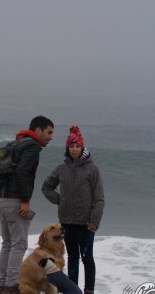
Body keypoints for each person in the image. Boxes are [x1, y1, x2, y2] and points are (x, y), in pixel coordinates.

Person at [0, 115, 55, 294]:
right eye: (49, 132)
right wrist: (25, 200)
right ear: (38, 131)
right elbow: (23, 172)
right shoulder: (32, 146)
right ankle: (12, 285)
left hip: (1, 199)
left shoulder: (15, 144)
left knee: (7, 244)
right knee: (19, 244)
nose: (51, 137)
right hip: (15, 201)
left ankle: (1, 284)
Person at [42, 126, 105, 294]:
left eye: (77, 146)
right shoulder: (61, 169)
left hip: (86, 223)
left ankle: (89, 290)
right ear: (67, 148)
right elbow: (46, 187)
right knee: (72, 257)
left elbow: (99, 199)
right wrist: (59, 200)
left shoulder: (92, 169)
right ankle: (72, 289)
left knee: (87, 258)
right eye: (72, 146)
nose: (75, 149)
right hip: (67, 222)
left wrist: (94, 221)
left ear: (82, 147)